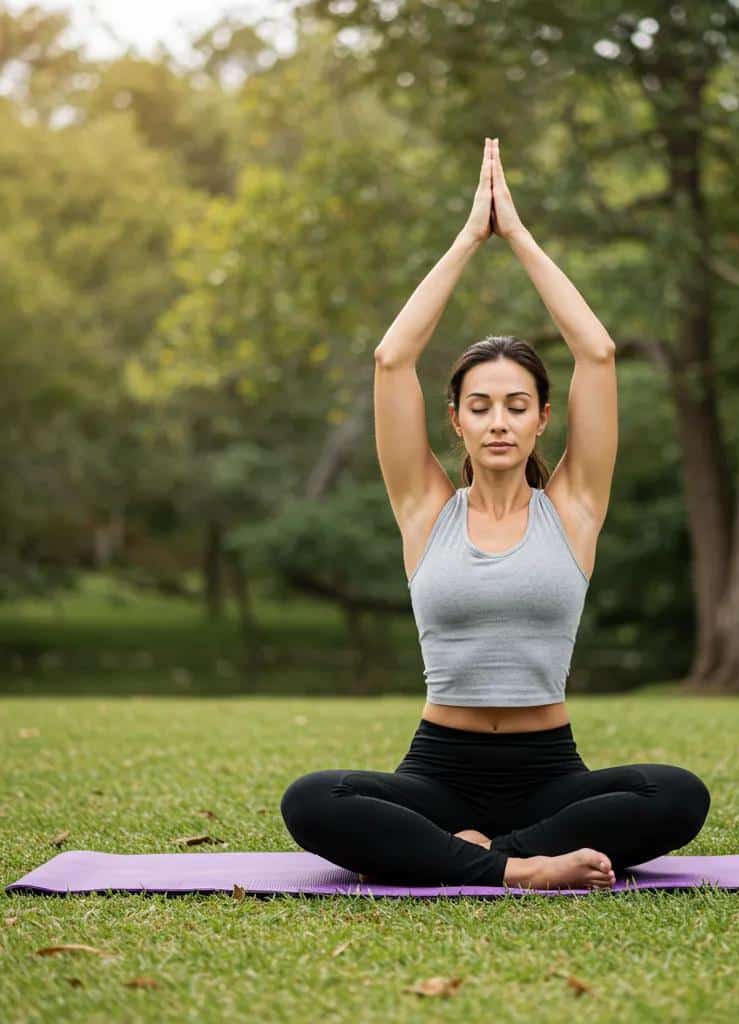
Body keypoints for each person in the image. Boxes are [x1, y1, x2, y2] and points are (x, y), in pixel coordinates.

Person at [280, 137, 711, 890]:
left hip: (551, 771)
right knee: (314, 800)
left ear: (544, 418)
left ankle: (477, 850)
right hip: (436, 768)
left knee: (677, 793)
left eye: (517, 406)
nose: (499, 421)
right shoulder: (424, 510)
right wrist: (466, 239)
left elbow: (599, 354)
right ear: (456, 421)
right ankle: (517, 866)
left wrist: (517, 236)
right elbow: (391, 360)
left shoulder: (573, 509)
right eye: (480, 407)